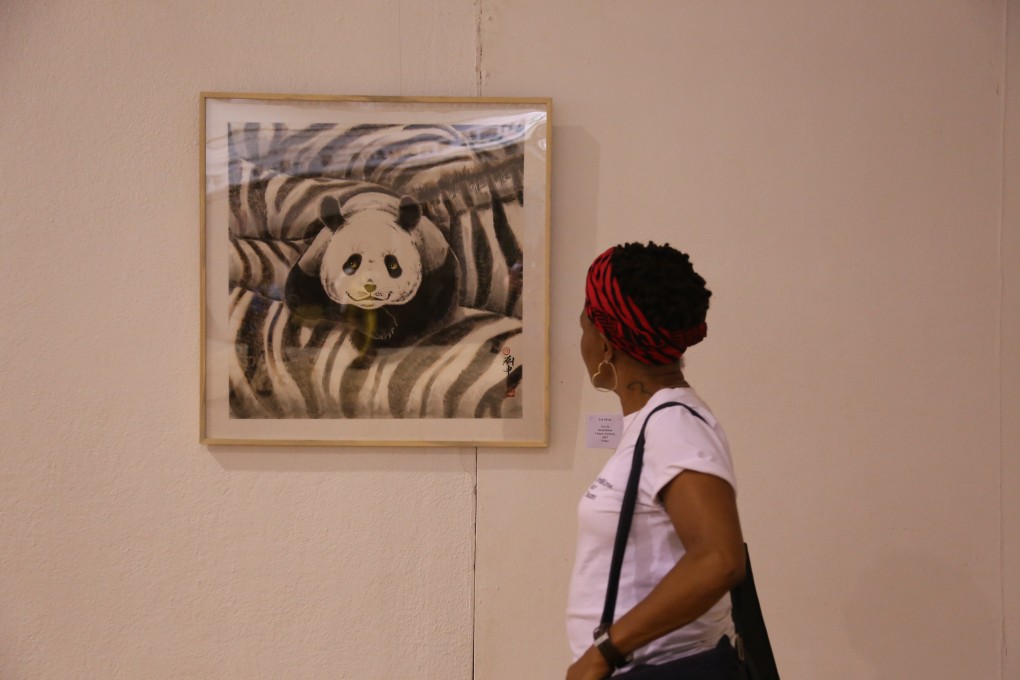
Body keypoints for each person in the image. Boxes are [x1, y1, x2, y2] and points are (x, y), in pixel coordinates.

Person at [566, 242, 746, 680]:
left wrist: (601, 653)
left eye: (584, 324)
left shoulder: (673, 428)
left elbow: (719, 558)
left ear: (605, 343)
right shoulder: (655, 425)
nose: (582, 339)